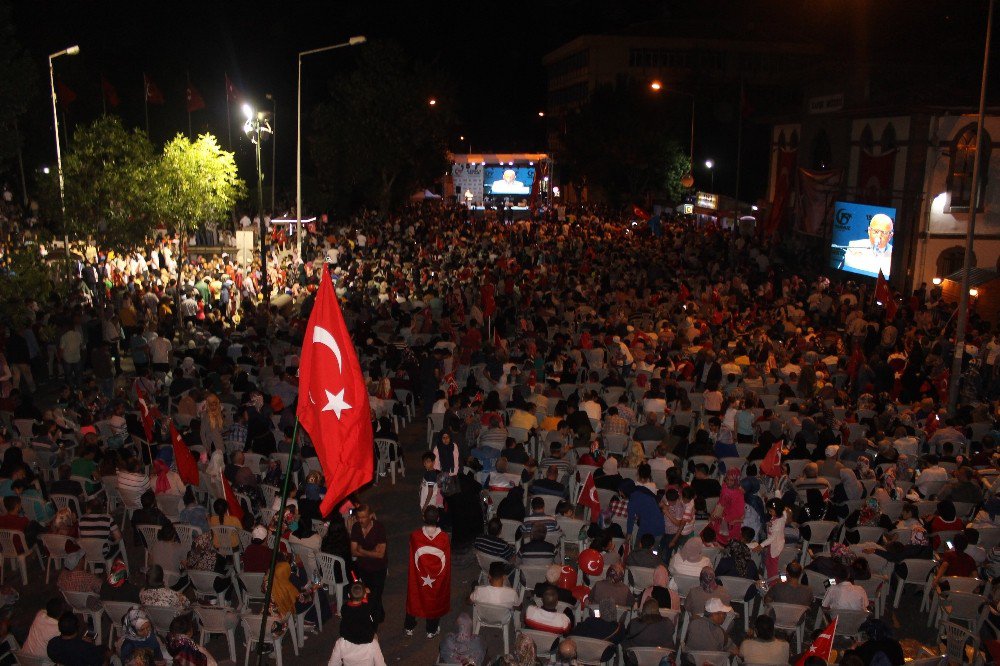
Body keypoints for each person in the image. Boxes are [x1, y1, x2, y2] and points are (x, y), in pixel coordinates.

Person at [404, 505, 452, 638]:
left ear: (423, 517)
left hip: (419, 576)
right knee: (434, 598)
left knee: (415, 595)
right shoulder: (444, 538)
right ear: (438, 518)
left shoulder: (415, 536)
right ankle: (431, 629)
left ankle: (409, 626)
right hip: (436, 577)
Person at [332, 583, 387, 665]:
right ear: (365, 595)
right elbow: (381, 664)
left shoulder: (340, 643)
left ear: (348, 595)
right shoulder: (373, 644)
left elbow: (333, 664)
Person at [350, 503, 388, 625]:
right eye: (358, 517)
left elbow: (381, 554)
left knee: (376, 595)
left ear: (371, 516)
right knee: (370, 594)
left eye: (363, 517)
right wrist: (372, 552)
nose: (360, 520)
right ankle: (379, 615)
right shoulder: (356, 527)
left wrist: (362, 550)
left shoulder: (379, 528)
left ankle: (374, 623)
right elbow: (353, 551)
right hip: (363, 568)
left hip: (378, 568)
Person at [682, 597, 737, 664]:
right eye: (723, 613)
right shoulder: (720, 632)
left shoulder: (692, 623)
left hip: (691, 662)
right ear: (715, 614)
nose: (724, 616)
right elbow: (735, 650)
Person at [842, 213, 893, 278]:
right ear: (869, 231)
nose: (879, 236)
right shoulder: (854, 247)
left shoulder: (894, 254)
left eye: (884, 233)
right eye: (876, 231)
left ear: (890, 236)